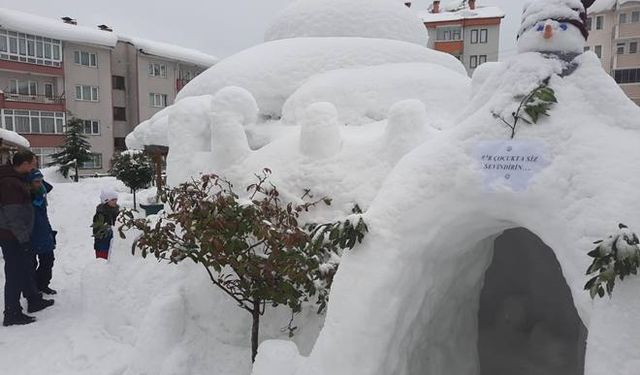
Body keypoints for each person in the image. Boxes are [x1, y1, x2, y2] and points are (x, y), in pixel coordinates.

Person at [0, 151, 54, 326]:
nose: (34, 167)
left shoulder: (17, 178)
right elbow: (13, 216)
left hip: (17, 235)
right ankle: (12, 313)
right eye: (33, 163)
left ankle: (33, 300)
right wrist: (23, 239)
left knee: (23, 269)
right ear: (24, 163)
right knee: (15, 273)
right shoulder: (10, 183)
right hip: (13, 236)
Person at [27, 169, 57, 295]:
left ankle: (43, 284)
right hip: (30, 234)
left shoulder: (41, 193)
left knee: (48, 260)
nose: (40, 183)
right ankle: (32, 289)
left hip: (44, 231)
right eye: (36, 181)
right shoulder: (26, 196)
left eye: (41, 180)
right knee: (31, 265)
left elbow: (49, 187)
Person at [92, 189, 120, 260]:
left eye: (116, 199)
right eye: (113, 200)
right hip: (102, 246)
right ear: (106, 201)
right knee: (102, 265)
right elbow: (96, 231)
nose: (115, 201)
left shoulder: (117, 212)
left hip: (114, 245)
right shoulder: (100, 213)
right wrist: (108, 229)